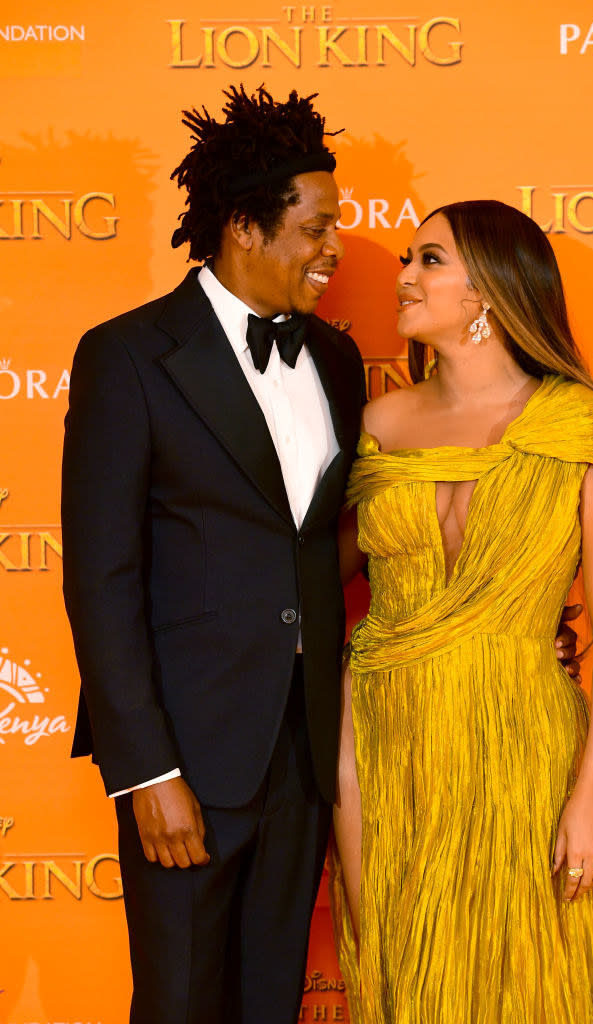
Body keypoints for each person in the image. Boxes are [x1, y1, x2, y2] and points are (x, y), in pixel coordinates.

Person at [61, 84, 366, 1024]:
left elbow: (329, 542)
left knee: (270, 998)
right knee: (181, 998)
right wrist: (145, 772)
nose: (333, 250)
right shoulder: (128, 355)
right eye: (315, 227)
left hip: (304, 749)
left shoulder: (337, 359)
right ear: (243, 225)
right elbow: (100, 577)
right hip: (186, 752)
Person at [331, 200, 593, 1023]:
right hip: (377, 737)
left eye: (429, 260)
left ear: (490, 293)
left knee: (531, 977)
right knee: (399, 974)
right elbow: (304, 584)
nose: (403, 276)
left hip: (522, 739)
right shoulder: (374, 424)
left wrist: (591, 794)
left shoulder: (583, 426)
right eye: (407, 257)